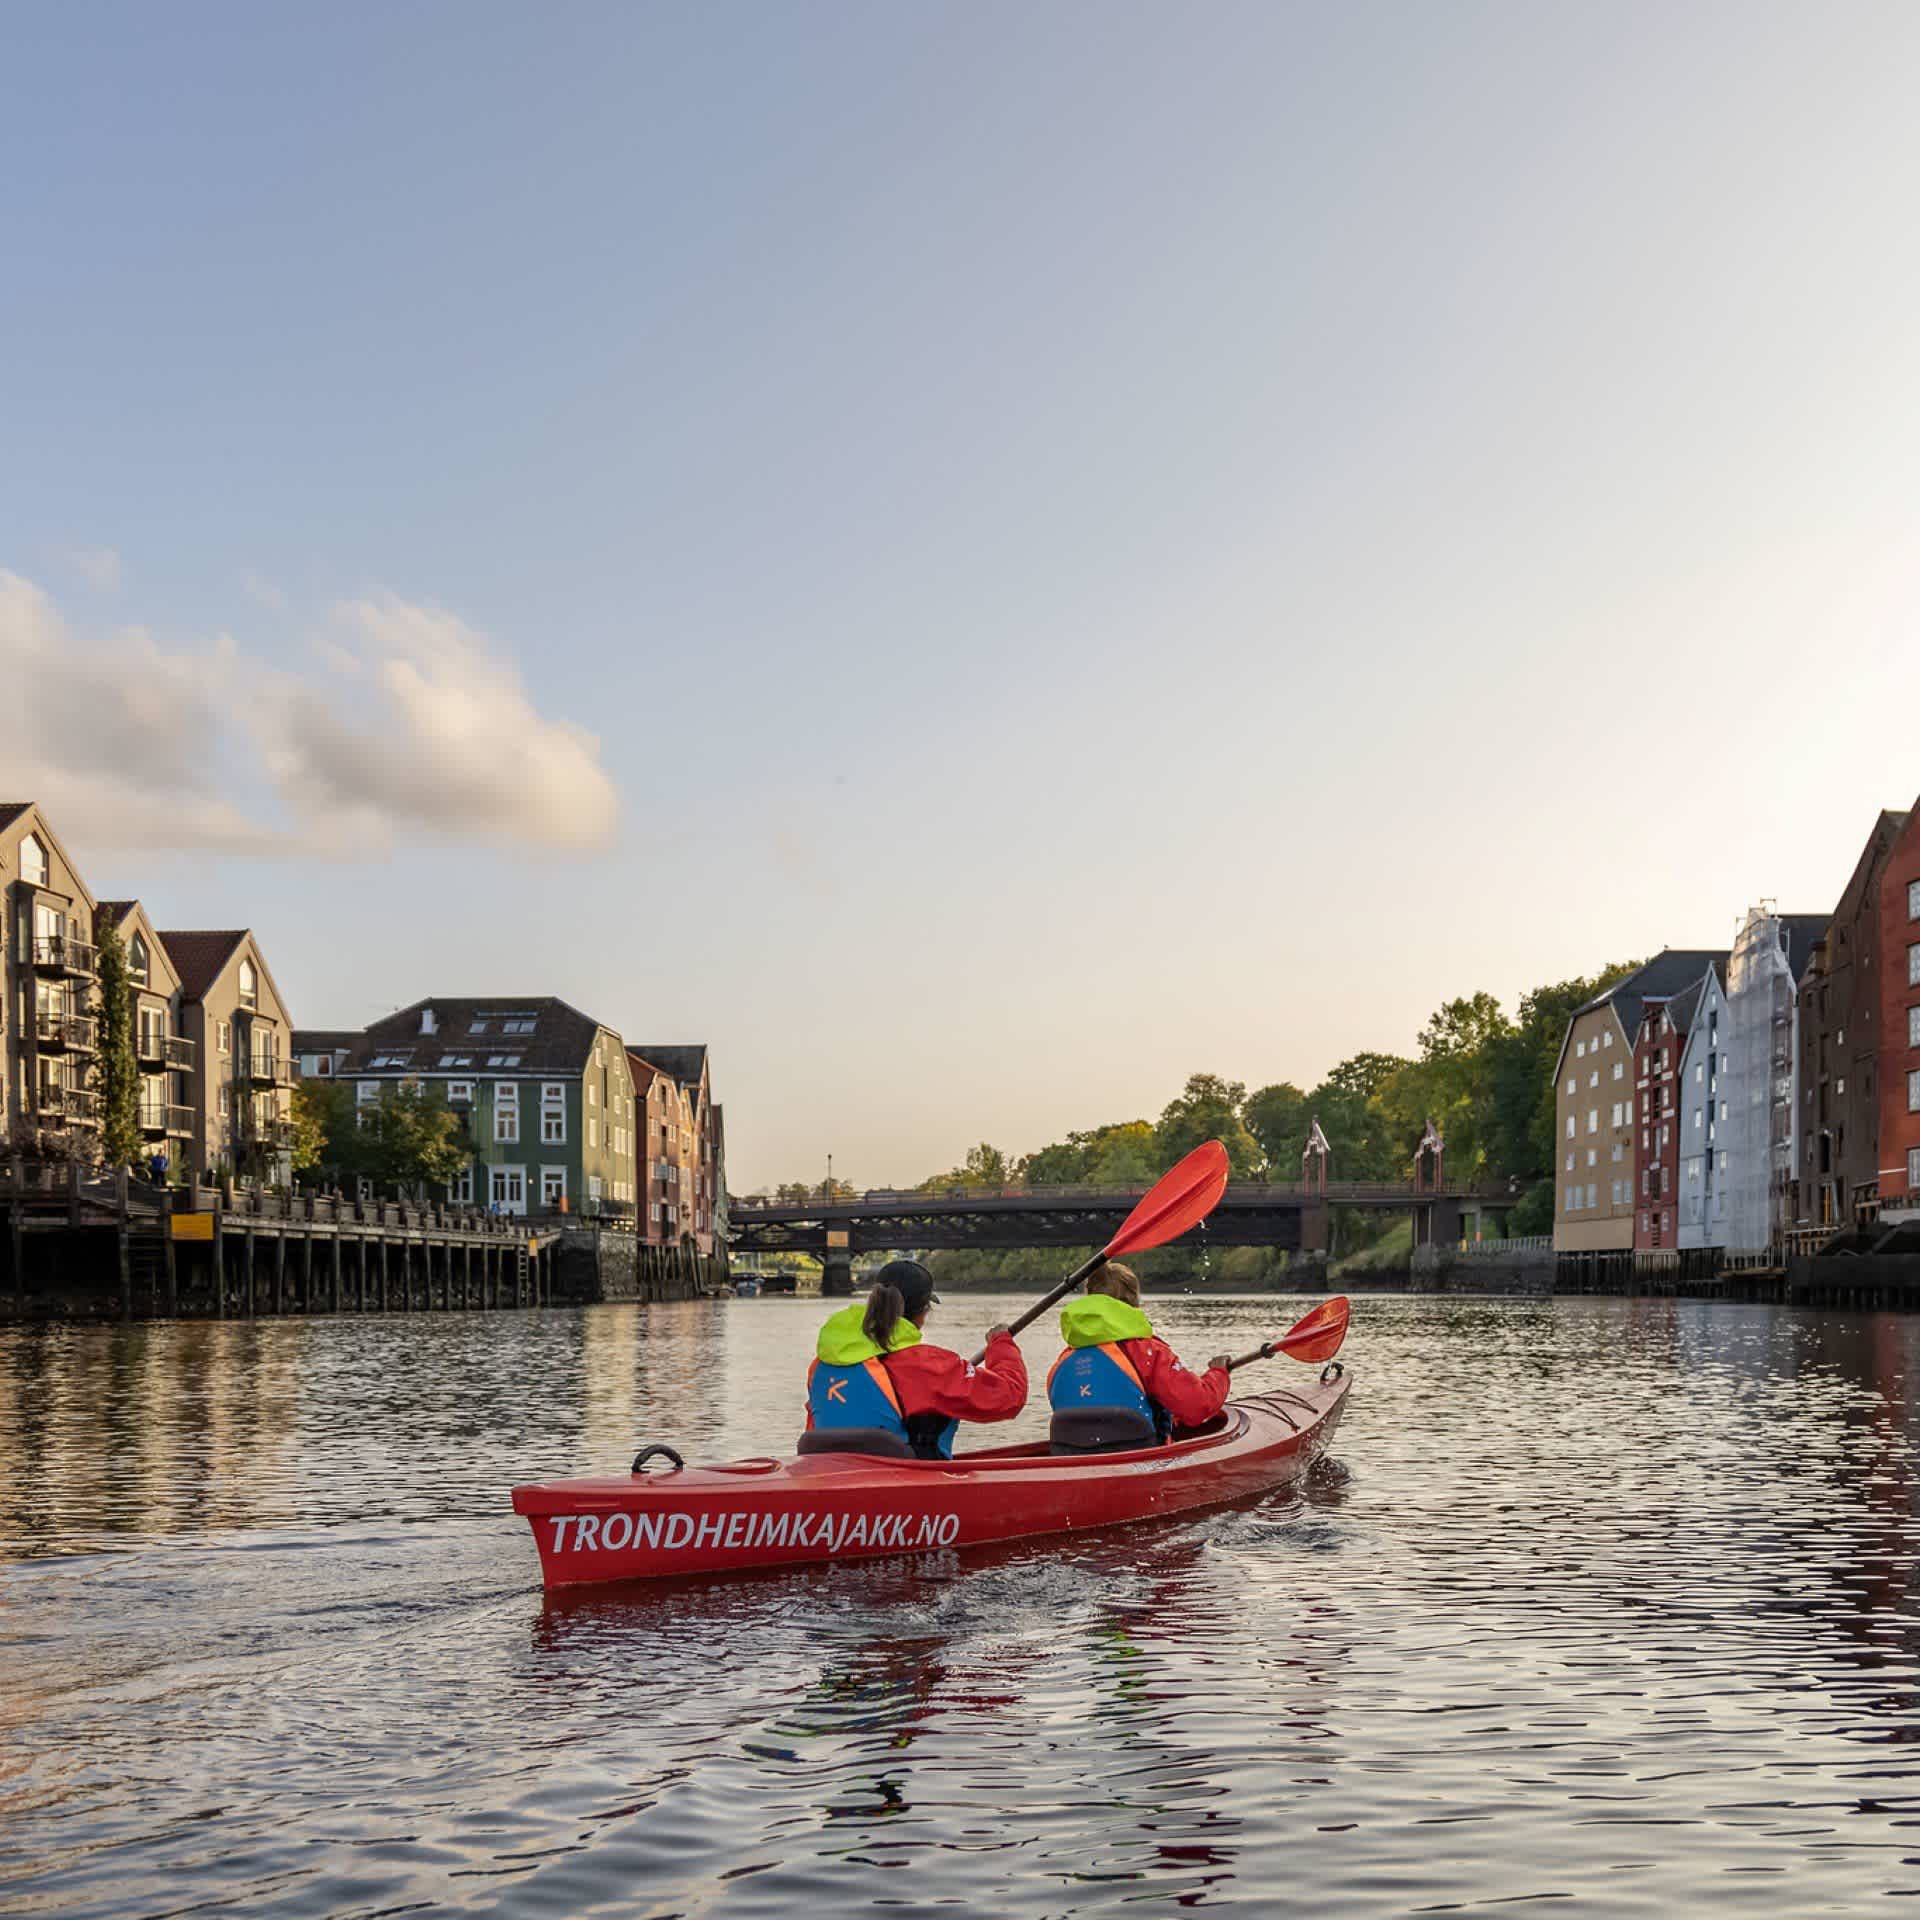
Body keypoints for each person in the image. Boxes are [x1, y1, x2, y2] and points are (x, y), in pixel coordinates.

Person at [805, 1258, 1027, 1459]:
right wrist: (1001, 1343)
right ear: (923, 1312)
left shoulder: (822, 1365)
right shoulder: (930, 1366)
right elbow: (1010, 1395)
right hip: (906, 1484)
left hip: (828, 1478)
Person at [1047, 1262, 1233, 1446]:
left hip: (1073, 1457)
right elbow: (1198, 1405)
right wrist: (1219, 1373)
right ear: (1133, 1302)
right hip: (1144, 1459)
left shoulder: (1062, 1363)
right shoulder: (1148, 1353)